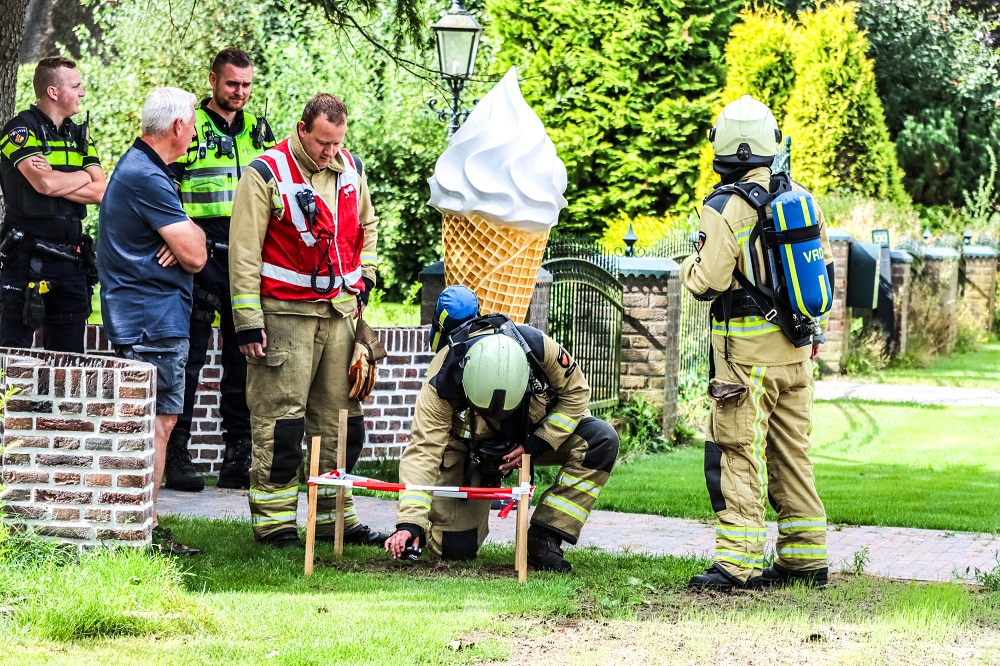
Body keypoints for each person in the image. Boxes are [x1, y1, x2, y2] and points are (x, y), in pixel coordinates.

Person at [680, 95, 833, 590]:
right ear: (770, 146)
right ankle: (805, 558)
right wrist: (810, 336)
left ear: (721, 149)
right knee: (792, 452)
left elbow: (710, 281)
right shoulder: (801, 199)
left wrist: (688, 268)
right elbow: (823, 274)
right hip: (795, 353)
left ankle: (738, 562)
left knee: (736, 449)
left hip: (746, 362)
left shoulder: (722, 208)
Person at [229, 93, 385, 549]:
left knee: (341, 421)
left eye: (337, 144)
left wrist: (367, 277)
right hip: (283, 316)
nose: (330, 153)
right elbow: (243, 252)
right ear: (302, 128)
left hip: (341, 313)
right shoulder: (266, 173)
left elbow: (367, 226)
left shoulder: (350, 167)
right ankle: (275, 524)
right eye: (322, 143)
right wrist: (247, 321)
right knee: (282, 422)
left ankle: (335, 518)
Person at [384, 304, 620, 572]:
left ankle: (544, 538)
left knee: (601, 439)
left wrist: (537, 443)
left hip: (532, 438)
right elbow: (423, 451)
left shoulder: (540, 350)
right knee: (454, 550)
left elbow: (576, 393)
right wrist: (410, 523)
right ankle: (435, 529)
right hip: (469, 452)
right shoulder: (442, 381)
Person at [98, 87, 208, 556]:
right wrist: (189, 238)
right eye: (193, 125)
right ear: (178, 127)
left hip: (148, 315)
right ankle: (144, 530)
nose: (196, 133)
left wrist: (187, 235)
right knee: (156, 423)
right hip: (151, 318)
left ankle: (144, 524)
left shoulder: (144, 170)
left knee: (154, 421)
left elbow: (189, 245)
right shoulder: (148, 176)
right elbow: (197, 255)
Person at [163, 48, 276, 494]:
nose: (241, 93)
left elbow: (271, 191)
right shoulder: (190, 126)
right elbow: (165, 185)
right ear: (213, 81)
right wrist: (176, 238)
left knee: (242, 360)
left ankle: (239, 454)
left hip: (245, 260)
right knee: (188, 361)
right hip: (199, 255)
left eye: (247, 85)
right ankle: (176, 452)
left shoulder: (258, 129)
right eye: (232, 84)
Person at [0, 56, 105, 353]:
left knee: (70, 360)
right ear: (53, 92)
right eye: (76, 85)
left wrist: (57, 181)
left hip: (72, 261)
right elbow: (42, 183)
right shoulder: (19, 130)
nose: (82, 92)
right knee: (13, 355)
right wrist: (82, 177)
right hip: (26, 259)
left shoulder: (78, 135)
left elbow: (101, 191)